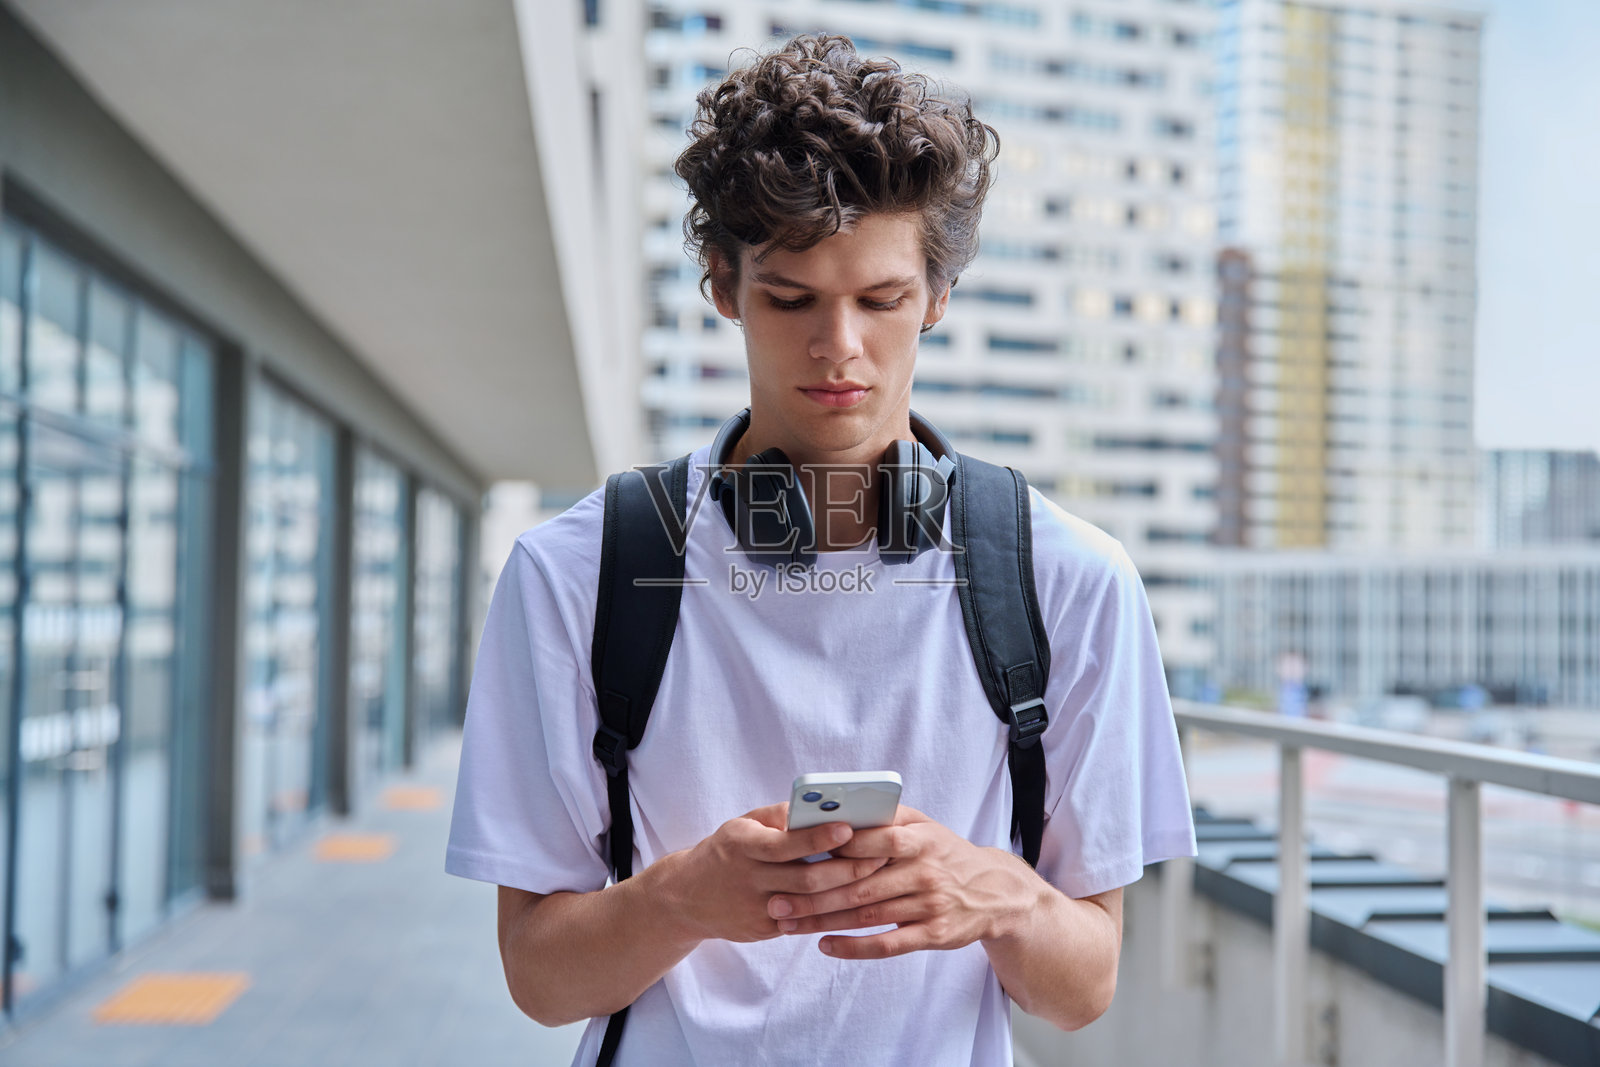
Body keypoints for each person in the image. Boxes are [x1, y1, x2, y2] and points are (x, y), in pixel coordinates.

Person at [445, 33, 1196, 1066]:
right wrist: (682, 896)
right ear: (723, 284)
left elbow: (1081, 990)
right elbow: (540, 977)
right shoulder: (574, 574)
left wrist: (999, 895)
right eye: (790, 298)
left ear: (938, 295)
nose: (838, 346)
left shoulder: (1070, 580)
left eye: (881, 300)